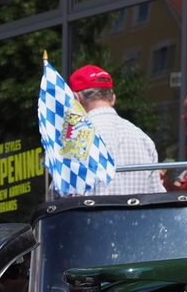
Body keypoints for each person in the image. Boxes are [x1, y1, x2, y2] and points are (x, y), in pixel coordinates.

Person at [69, 65, 162, 195]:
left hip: (92, 209)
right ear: (113, 98)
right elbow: (156, 194)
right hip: (135, 209)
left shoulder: (74, 137)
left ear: (76, 99)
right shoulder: (143, 138)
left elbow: (63, 194)